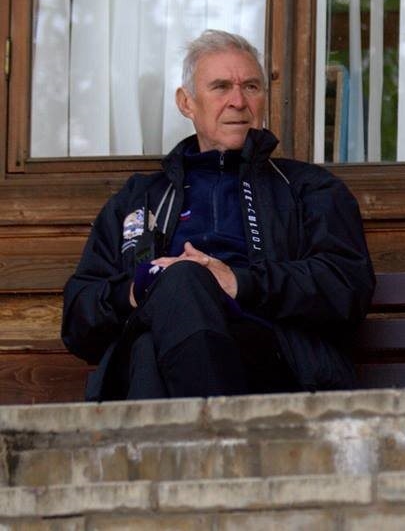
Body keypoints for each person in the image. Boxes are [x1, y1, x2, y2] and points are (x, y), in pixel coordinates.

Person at [62, 29, 375, 400]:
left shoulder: (307, 188)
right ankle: (214, 432)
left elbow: (346, 287)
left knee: (159, 330)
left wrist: (238, 282)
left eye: (251, 87)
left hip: (271, 362)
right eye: (221, 87)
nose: (238, 101)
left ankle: (187, 433)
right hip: (155, 358)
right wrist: (137, 289)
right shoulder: (138, 199)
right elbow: (78, 319)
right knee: (164, 314)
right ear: (186, 103)